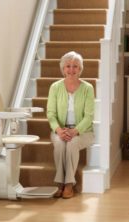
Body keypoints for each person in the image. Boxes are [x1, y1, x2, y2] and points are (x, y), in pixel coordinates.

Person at [46, 51, 95, 199]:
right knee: (60, 144)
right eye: (68, 66)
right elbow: (50, 114)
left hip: (83, 131)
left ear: (80, 69)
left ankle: (68, 184)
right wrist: (59, 130)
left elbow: (89, 116)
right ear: (63, 68)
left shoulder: (88, 88)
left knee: (72, 144)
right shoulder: (55, 87)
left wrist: (75, 131)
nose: (71, 69)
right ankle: (60, 182)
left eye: (75, 66)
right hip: (60, 129)